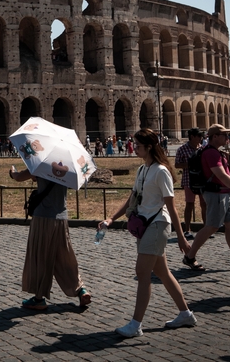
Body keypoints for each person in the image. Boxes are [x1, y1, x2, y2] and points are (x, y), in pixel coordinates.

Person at [99, 128, 195, 338]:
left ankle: (136, 324)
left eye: (138, 146)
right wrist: (111, 218)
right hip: (145, 226)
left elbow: (172, 207)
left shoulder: (161, 171)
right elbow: (132, 198)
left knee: (143, 273)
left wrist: (180, 236)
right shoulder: (143, 170)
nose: (134, 148)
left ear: (149, 147)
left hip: (158, 225)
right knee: (162, 273)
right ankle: (186, 313)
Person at [9, 167, 91, 310]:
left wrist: (12, 171)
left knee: (40, 256)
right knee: (65, 256)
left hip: (43, 217)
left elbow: (19, 177)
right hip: (61, 218)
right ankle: (80, 289)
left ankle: (39, 298)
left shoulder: (42, 163)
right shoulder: (67, 166)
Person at [182, 124, 230, 272]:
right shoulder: (211, 153)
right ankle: (190, 256)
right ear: (215, 137)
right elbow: (221, 175)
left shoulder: (216, 152)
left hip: (224, 193)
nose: (227, 137)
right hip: (217, 194)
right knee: (212, 226)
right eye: (224, 135)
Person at [174, 128, 208, 240]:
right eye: (199, 136)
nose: (201, 138)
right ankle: (187, 230)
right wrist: (190, 164)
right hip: (189, 180)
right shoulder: (182, 149)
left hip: (202, 180)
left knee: (204, 204)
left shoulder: (203, 149)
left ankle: (205, 228)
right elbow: (177, 165)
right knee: (189, 204)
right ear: (192, 136)